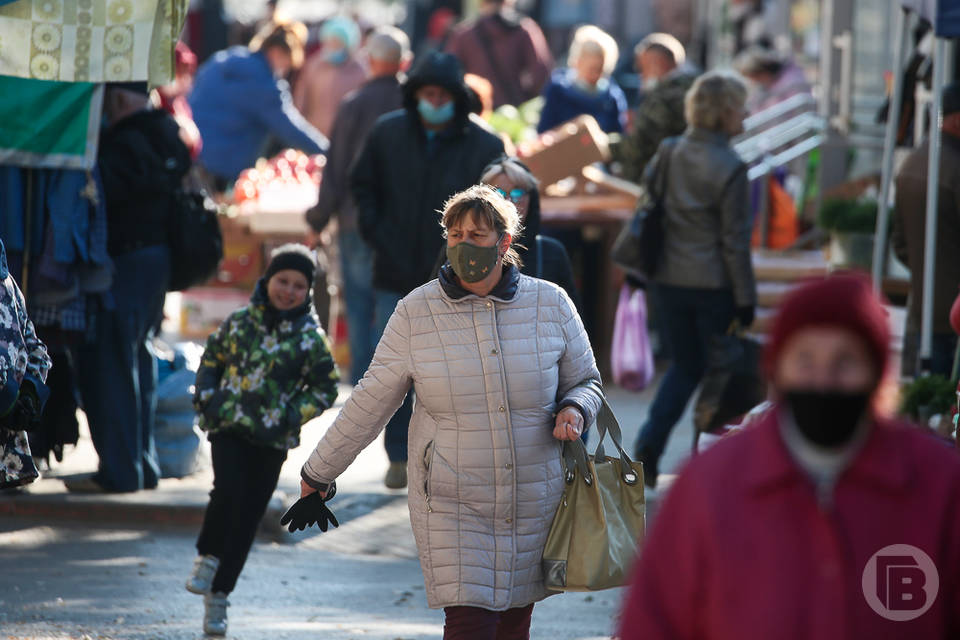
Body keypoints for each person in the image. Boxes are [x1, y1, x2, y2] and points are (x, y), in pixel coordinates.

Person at [300, 185, 604, 639]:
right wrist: (318, 471)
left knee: (513, 623)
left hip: (533, 498)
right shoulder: (415, 313)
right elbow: (371, 398)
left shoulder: (551, 304)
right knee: (469, 622)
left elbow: (587, 381)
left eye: (477, 235)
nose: (463, 244)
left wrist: (574, 408)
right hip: (451, 501)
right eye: (455, 233)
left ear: (504, 242)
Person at [618, 273, 960, 639]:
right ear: (777, 370)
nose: (823, 380)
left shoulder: (937, 485)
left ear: (876, 374)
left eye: (845, 362)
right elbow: (654, 621)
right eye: (805, 361)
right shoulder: (711, 486)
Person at [349, 50, 505, 488]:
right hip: (393, 271)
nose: (434, 101)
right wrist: (378, 233)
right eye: (426, 93)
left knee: (450, 372)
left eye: (442, 94)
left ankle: (444, 458)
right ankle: (398, 455)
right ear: (415, 95)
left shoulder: (485, 145)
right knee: (395, 370)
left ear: (457, 97)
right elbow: (362, 187)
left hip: (460, 278)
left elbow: (498, 207)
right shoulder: (387, 133)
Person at [185, 244, 339, 636]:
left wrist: (290, 414)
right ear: (268, 279)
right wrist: (209, 398)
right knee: (228, 491)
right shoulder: (240, 323)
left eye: (298, 286)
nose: (288, 291)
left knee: (250, 513)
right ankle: (207, 556)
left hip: (272, 439)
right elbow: (211, 361)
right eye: (282, 281)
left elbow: (324, 389)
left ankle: (220, 595)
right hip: (230, 427)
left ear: (308, 292)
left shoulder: (310, 339)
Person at [631, 72, 757, 489]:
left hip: (668, 278)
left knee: (685, 367)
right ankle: (710, 464)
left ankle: (650, 442)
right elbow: (734, 242)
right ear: (724, 113)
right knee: (722, 374)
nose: (746, 114)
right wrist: (746, 299)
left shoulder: (668, 151)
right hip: (714, 285)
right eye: (741, 106)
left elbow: (648, 203)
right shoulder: (733, 167)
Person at [68, 83, 192, 494]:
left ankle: (121, 472)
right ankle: (143, 466)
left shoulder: (125, 142)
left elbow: (102, 198)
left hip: (126, 263)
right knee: (136, 359)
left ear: (117, 100)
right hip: (156, 261)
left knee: (112, 363)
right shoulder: (166, 132)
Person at [306, 26, 410, 386]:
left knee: (359, 300)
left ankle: (365, 385)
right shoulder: (412, 104)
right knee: (391, 301)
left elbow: (335, 170)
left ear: (369, 61)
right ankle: (389, 381)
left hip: (354, 220)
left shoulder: (354, 105)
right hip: (401, 223)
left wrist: (318, 219)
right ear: (403, 61)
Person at [188, 20, 328, 188]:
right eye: (286, 64)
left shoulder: (222, 60)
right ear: (277, 53)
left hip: (195, 158)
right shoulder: (265, 85)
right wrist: (330, 152)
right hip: (224, 169)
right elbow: (291, 130)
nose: (285, 71)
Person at [892, 84, 960, 377]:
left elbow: (900, 244)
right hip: (953, 316)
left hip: (924, 308)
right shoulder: (954, 167)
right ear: (957, 120)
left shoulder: (916, 159)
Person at [0, 238, 52, 490]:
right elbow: (37, 353)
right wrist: (20, 396)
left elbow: (37, 351)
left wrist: (23, 397)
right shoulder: (8, 283)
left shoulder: (8, 284)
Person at [615, 33, 698, 184]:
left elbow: (640, 145)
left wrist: (607, 146)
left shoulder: (664, 97)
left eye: (642, 68)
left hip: (661, 183)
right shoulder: (694, 88)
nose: (641, 75)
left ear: (657, 63)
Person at [445, 0, 552, 109]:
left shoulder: (464, 34)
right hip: (514, 112)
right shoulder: (525, 30)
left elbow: (449, 75)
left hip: (477, 110)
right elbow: (541, 74)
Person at [537, 24, 627, 134]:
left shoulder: (612, 98)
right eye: (591, 69)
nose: (595, 75)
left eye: (600, 70)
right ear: (577, 62)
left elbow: (617, 133)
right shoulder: (558, 92)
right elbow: (544, 131)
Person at [293, 15, 368, 139]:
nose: (333, 46)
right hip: (312, 135)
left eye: (338, 43)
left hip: (345, 138)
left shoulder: (360, 70)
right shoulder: (313, 66)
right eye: (330, 42)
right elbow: (300, 101)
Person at [155, 40, 203, 160]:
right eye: (179, 72)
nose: (183, 79)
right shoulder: (153, 99)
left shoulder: (179, 103)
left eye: (185, 72)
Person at [734, 45, 811, 116]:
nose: (752, 82)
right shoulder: (766, 85)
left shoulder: (792, 82)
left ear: (761, 72)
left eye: (752, 78)